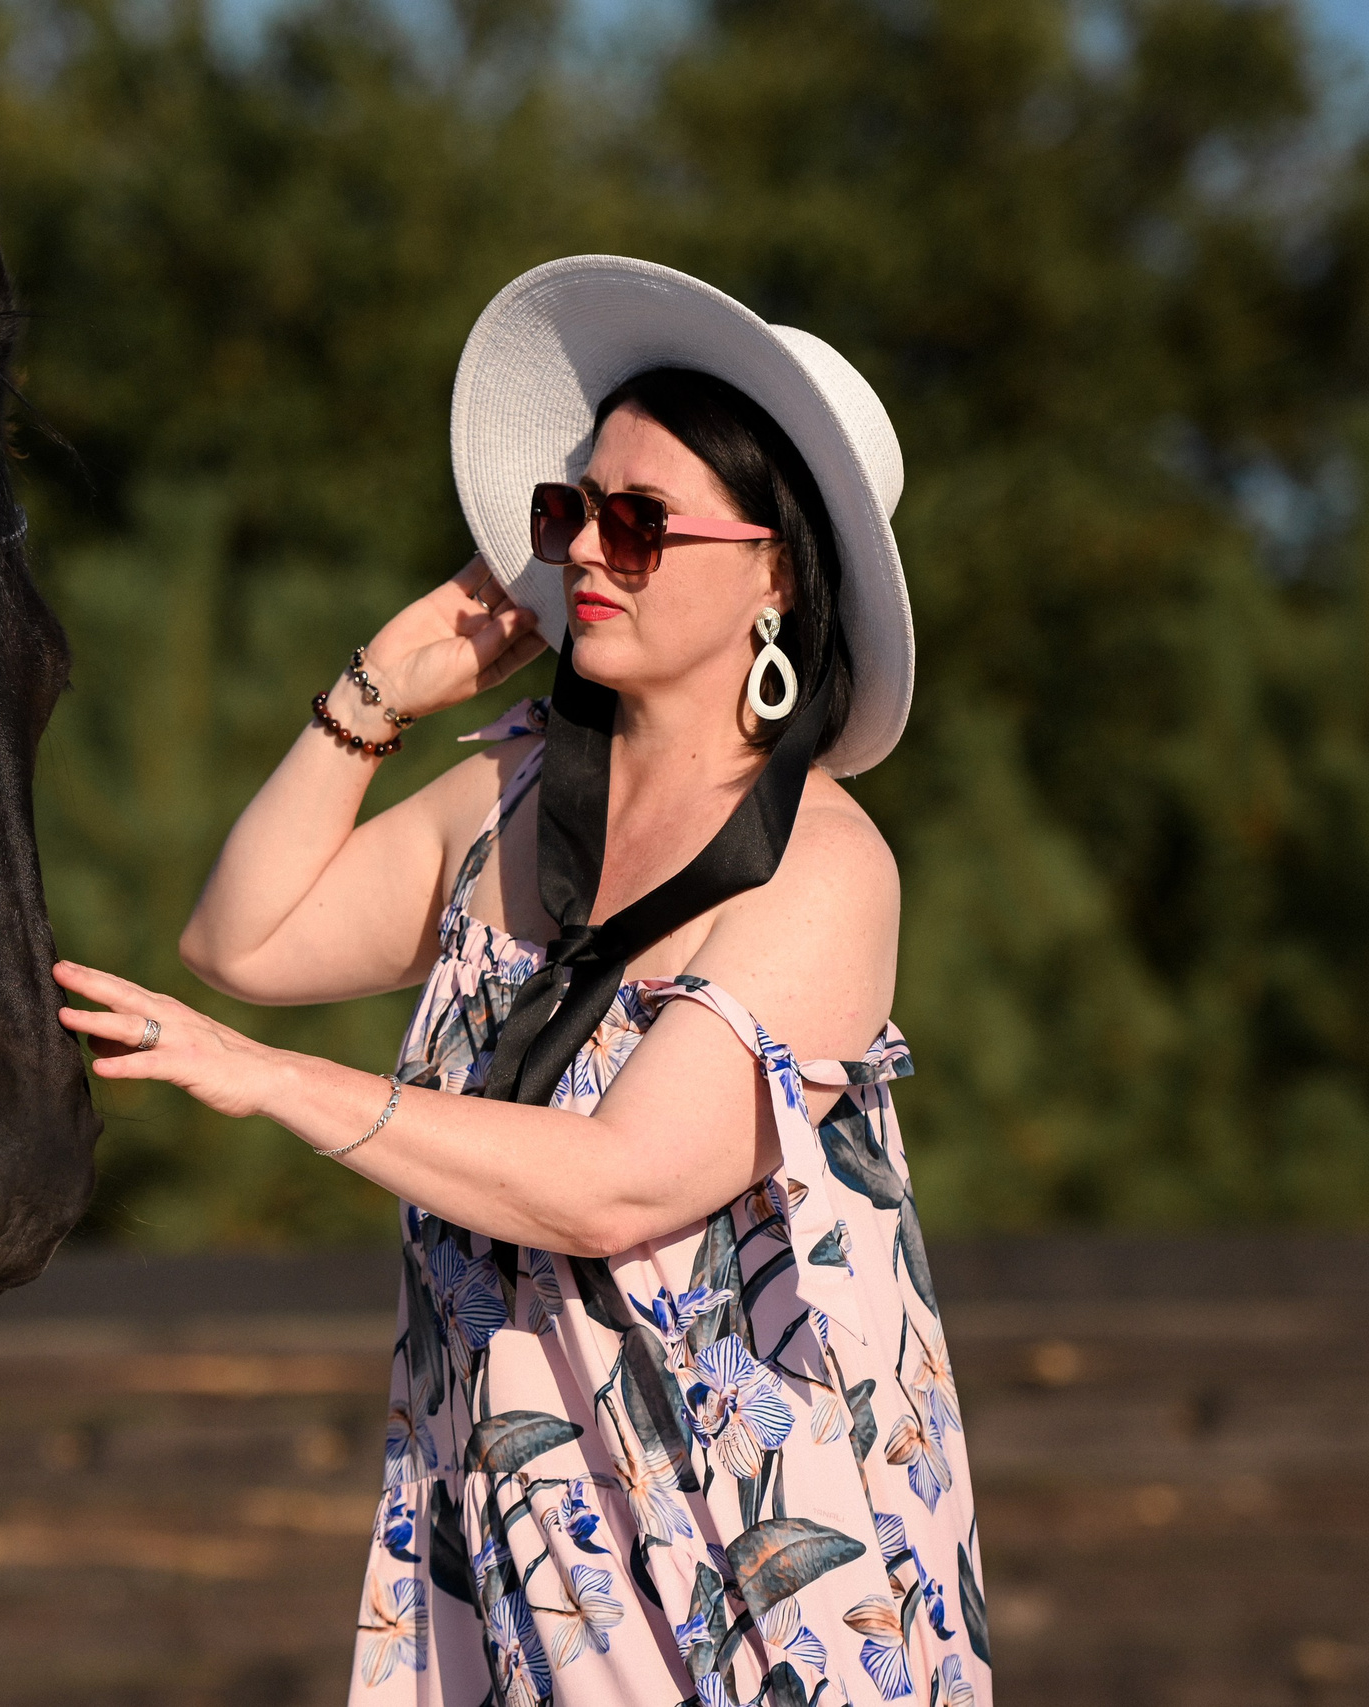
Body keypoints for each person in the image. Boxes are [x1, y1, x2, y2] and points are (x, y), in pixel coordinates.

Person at [55, 257, 985, 1706]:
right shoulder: (511, 794)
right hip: (515, 1564)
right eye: (573, 514)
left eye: (643, 523)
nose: (589, 555)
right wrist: (374, 690)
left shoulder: (825, 869)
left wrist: (269, 1081)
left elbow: (616, 1183)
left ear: (780, 574)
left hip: (756, 1598)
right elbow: (240, 941)